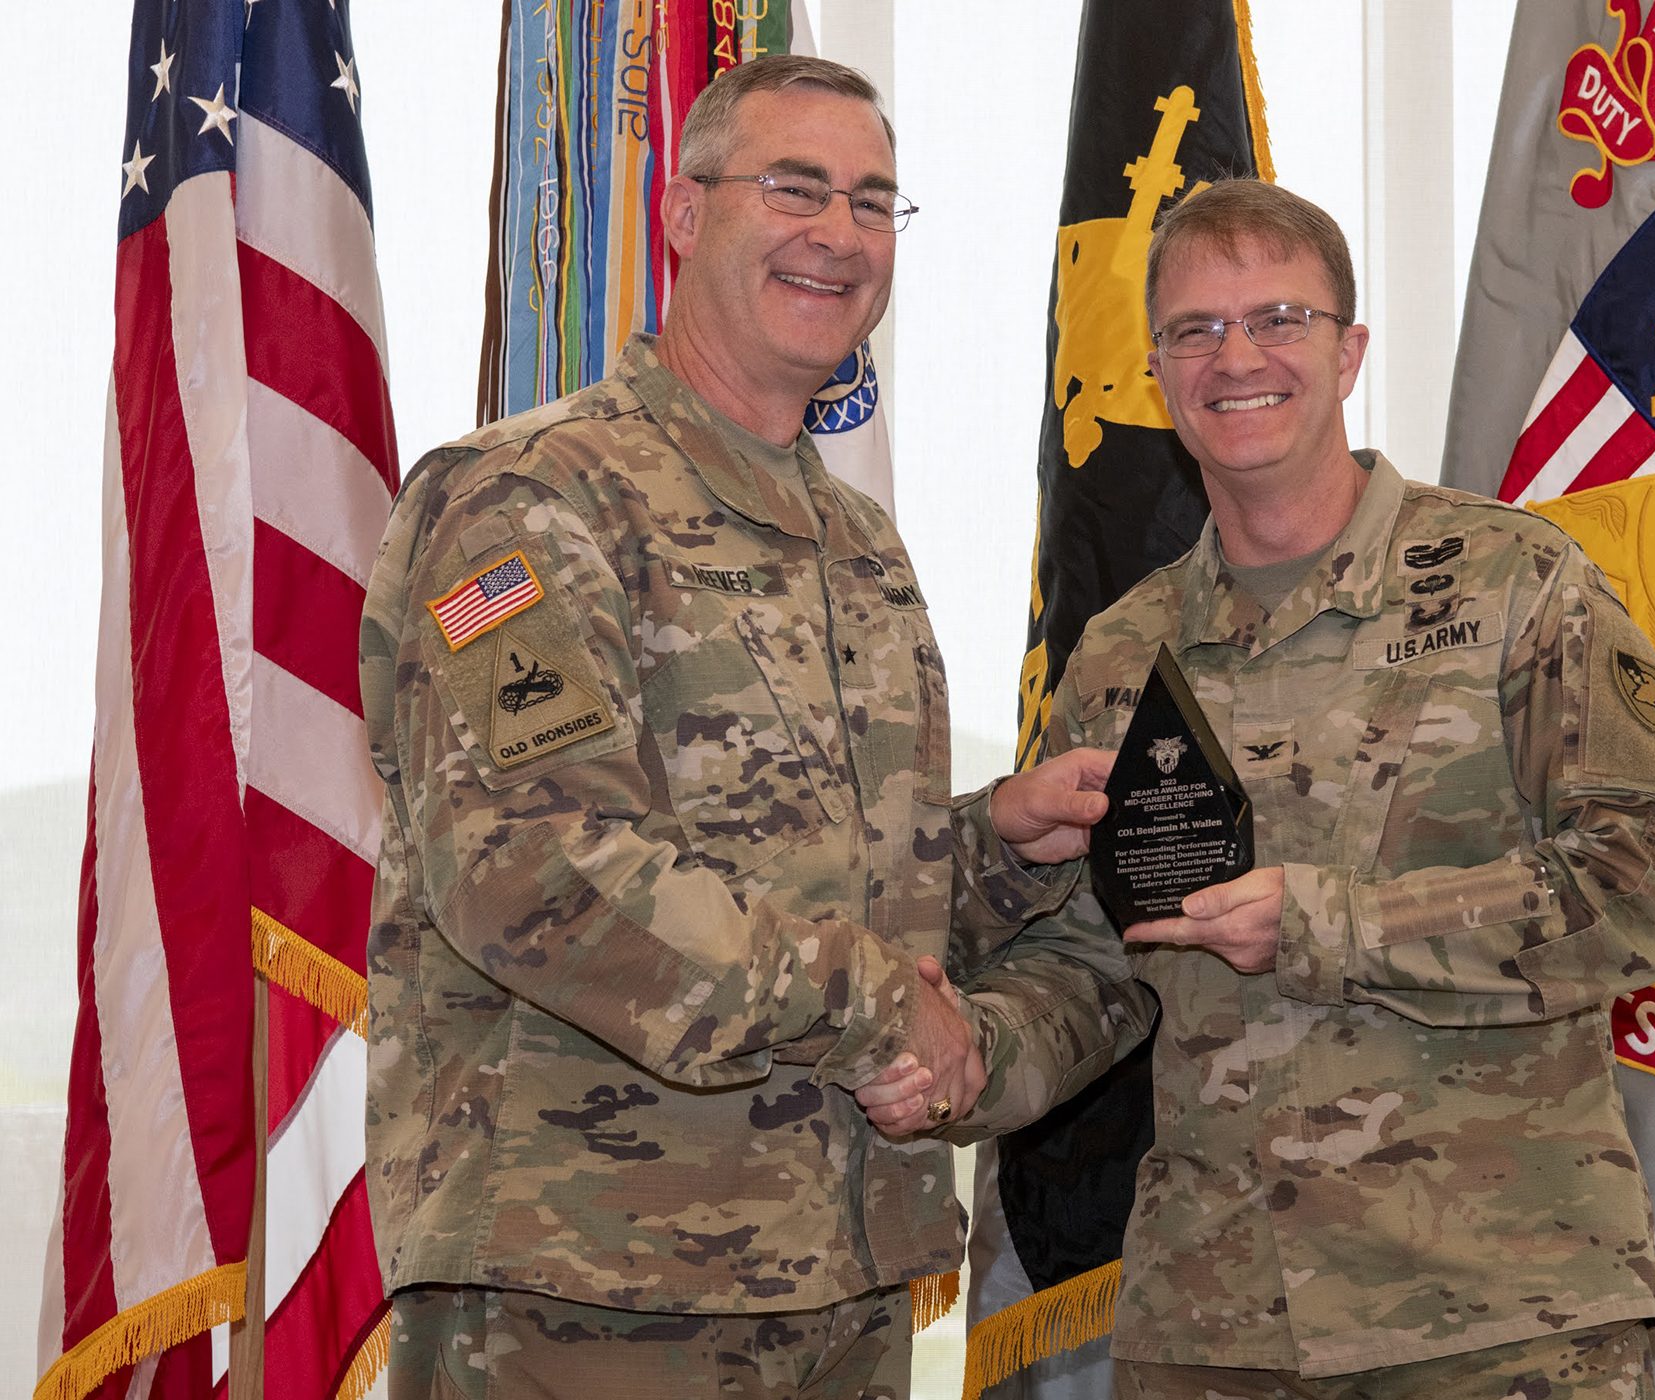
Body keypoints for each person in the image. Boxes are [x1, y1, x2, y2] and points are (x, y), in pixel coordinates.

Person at [358, 55, 1150, 1400]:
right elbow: (540, 874)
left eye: (872, 203)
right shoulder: (531, 501)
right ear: (683, 212)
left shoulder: (858, 547)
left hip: (841, 1282)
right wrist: (881, 1004)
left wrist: (999, 850)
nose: (837, 234)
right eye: (795, 187)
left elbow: (826, 885)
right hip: (591, 1296)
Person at [1001, 179, 1655, 1399]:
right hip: (1213, 1323)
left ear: (1350, 351)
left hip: (1494, 1315)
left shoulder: (1517, 583)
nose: (1238, 357)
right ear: (1161, 373)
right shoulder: (1123, 652)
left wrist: (1332, 921)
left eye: (1280, 317)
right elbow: (1100, 962)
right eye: (1196, 329)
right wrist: (960, 1057)